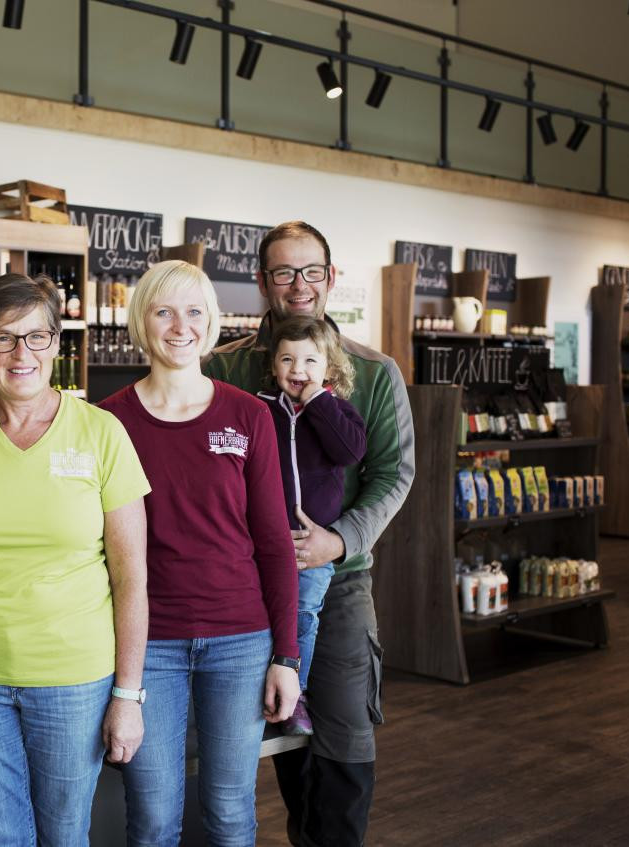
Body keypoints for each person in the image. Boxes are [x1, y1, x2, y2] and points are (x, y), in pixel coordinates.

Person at [0, 273, 150, 847]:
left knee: (66, 835)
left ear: (57, 344)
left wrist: (127, 696)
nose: (22, 353)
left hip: (74, 680)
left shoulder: (101, 434)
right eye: (4, 338)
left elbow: (132, 579)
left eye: (37, 337)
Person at [204, 221, 415, 847]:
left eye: (311, 272)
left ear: (331, 278)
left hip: (339, 580)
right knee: (282, 725)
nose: (299, 285)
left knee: (346, 725)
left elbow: (393, 475)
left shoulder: (374, 372)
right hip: (246, 588)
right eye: (284, 273)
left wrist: (339, 540)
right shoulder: (227, 367)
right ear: (262, 281)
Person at [98, 259, 300, 847]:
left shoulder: (248, 414)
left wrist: (285, 656)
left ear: (211, 324)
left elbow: (274, 544)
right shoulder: (108, 422)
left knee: (231, 814)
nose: (179, 326)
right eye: (164, 311)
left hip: (240, 642)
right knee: (154, 817)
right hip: (147, 647)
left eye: (194, 312)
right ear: (142, 322)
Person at [256, 315, 366, 737]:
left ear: (329, 368)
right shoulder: (261, 408)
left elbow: (349, 452)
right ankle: (263, 691)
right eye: (287, 359)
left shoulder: (339, 412)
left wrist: (320, 401)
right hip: (266, 542)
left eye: (309, 361)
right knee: (264, 618)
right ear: (274, 366)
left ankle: (295, 694)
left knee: (303, 614)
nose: (297, 370)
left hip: (311, 546)